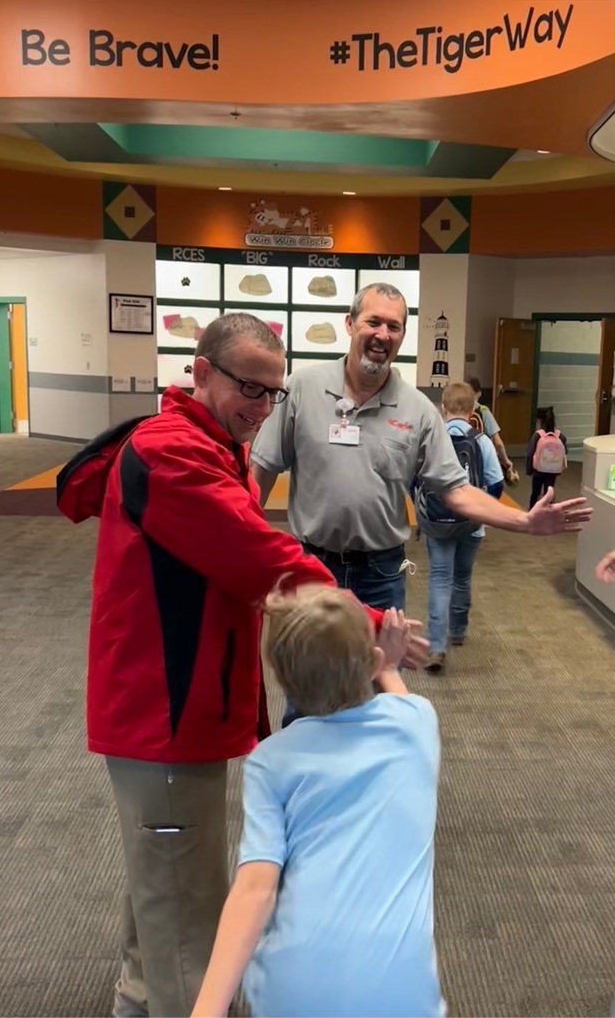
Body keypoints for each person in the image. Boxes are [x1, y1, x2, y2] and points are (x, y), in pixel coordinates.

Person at [66, 312, 428, 1018]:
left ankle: (139, 1001)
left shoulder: (207, 442)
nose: (261, 409)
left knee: (166, 883)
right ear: (201, 372)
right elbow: (258, 558)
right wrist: (364, 619)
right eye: (248, 389)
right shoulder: (174, 453)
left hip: (180, 706)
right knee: (187, 915)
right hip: (161, 712)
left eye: (273, 393)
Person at [191, 585, 444, 1018]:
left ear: (281, 679)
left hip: (294, 986)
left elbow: (255, 889)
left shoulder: (270, 760)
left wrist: (206, 1010)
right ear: (372, 663)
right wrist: (389, 665)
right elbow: (397, 696)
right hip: (402, 989)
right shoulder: (418, 723)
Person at [251, 282, 591, 601]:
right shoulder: (302, 388)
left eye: (394, 326)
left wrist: (524, 521)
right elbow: (262, 470)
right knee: (306, 649)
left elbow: (457, 490)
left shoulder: (419, 410)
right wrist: (245, 543)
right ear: (350, 323)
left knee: (383, 649)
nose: (382, 335)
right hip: (310, 565)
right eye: (373, 322)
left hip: (380, 573)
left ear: (402, 336)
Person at [417, 382, 504, 673]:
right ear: (472, 409)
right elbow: (496, 483)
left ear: (443, 407)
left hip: (437, 522)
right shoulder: (482, 441)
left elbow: (415, 479)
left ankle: (436, 647)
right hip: (472, 524)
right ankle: (458, 630)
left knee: (440, 579)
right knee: (463, 577)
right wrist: (481, 509)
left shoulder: (432, 439)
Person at [466, 376, 514, 475]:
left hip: (465, 457)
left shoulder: (460, 410)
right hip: (482, 458)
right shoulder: (483, 410)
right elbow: (498, 442)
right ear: (479, 393)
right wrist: (505, 459)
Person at [526, 405, 568, 510]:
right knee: (549, 492)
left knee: (535, 492)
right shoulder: (560, 436)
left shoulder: (538, 435)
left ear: (540, 421)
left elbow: (530, 453)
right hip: (553, 470)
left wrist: (529, 470)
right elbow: (565, 452)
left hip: (538, 470)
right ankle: (549, 511)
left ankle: (532, 511)